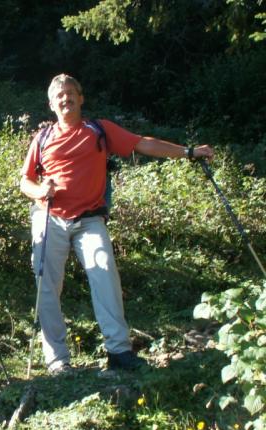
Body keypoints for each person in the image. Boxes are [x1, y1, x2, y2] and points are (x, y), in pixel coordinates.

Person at [20, 74, 214, 373]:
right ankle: (57, 360)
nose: (66, 98)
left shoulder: (98, 129)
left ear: (81, 98)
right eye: (59, 95)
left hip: (90, 220)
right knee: (46, 287)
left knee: (105, 276)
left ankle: (119, 352)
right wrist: (39, 190)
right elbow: (25, 181)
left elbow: (142, 144)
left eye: (71, 93)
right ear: (51, 104)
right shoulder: (43, 137)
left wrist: (187, 152)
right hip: (50, 218)